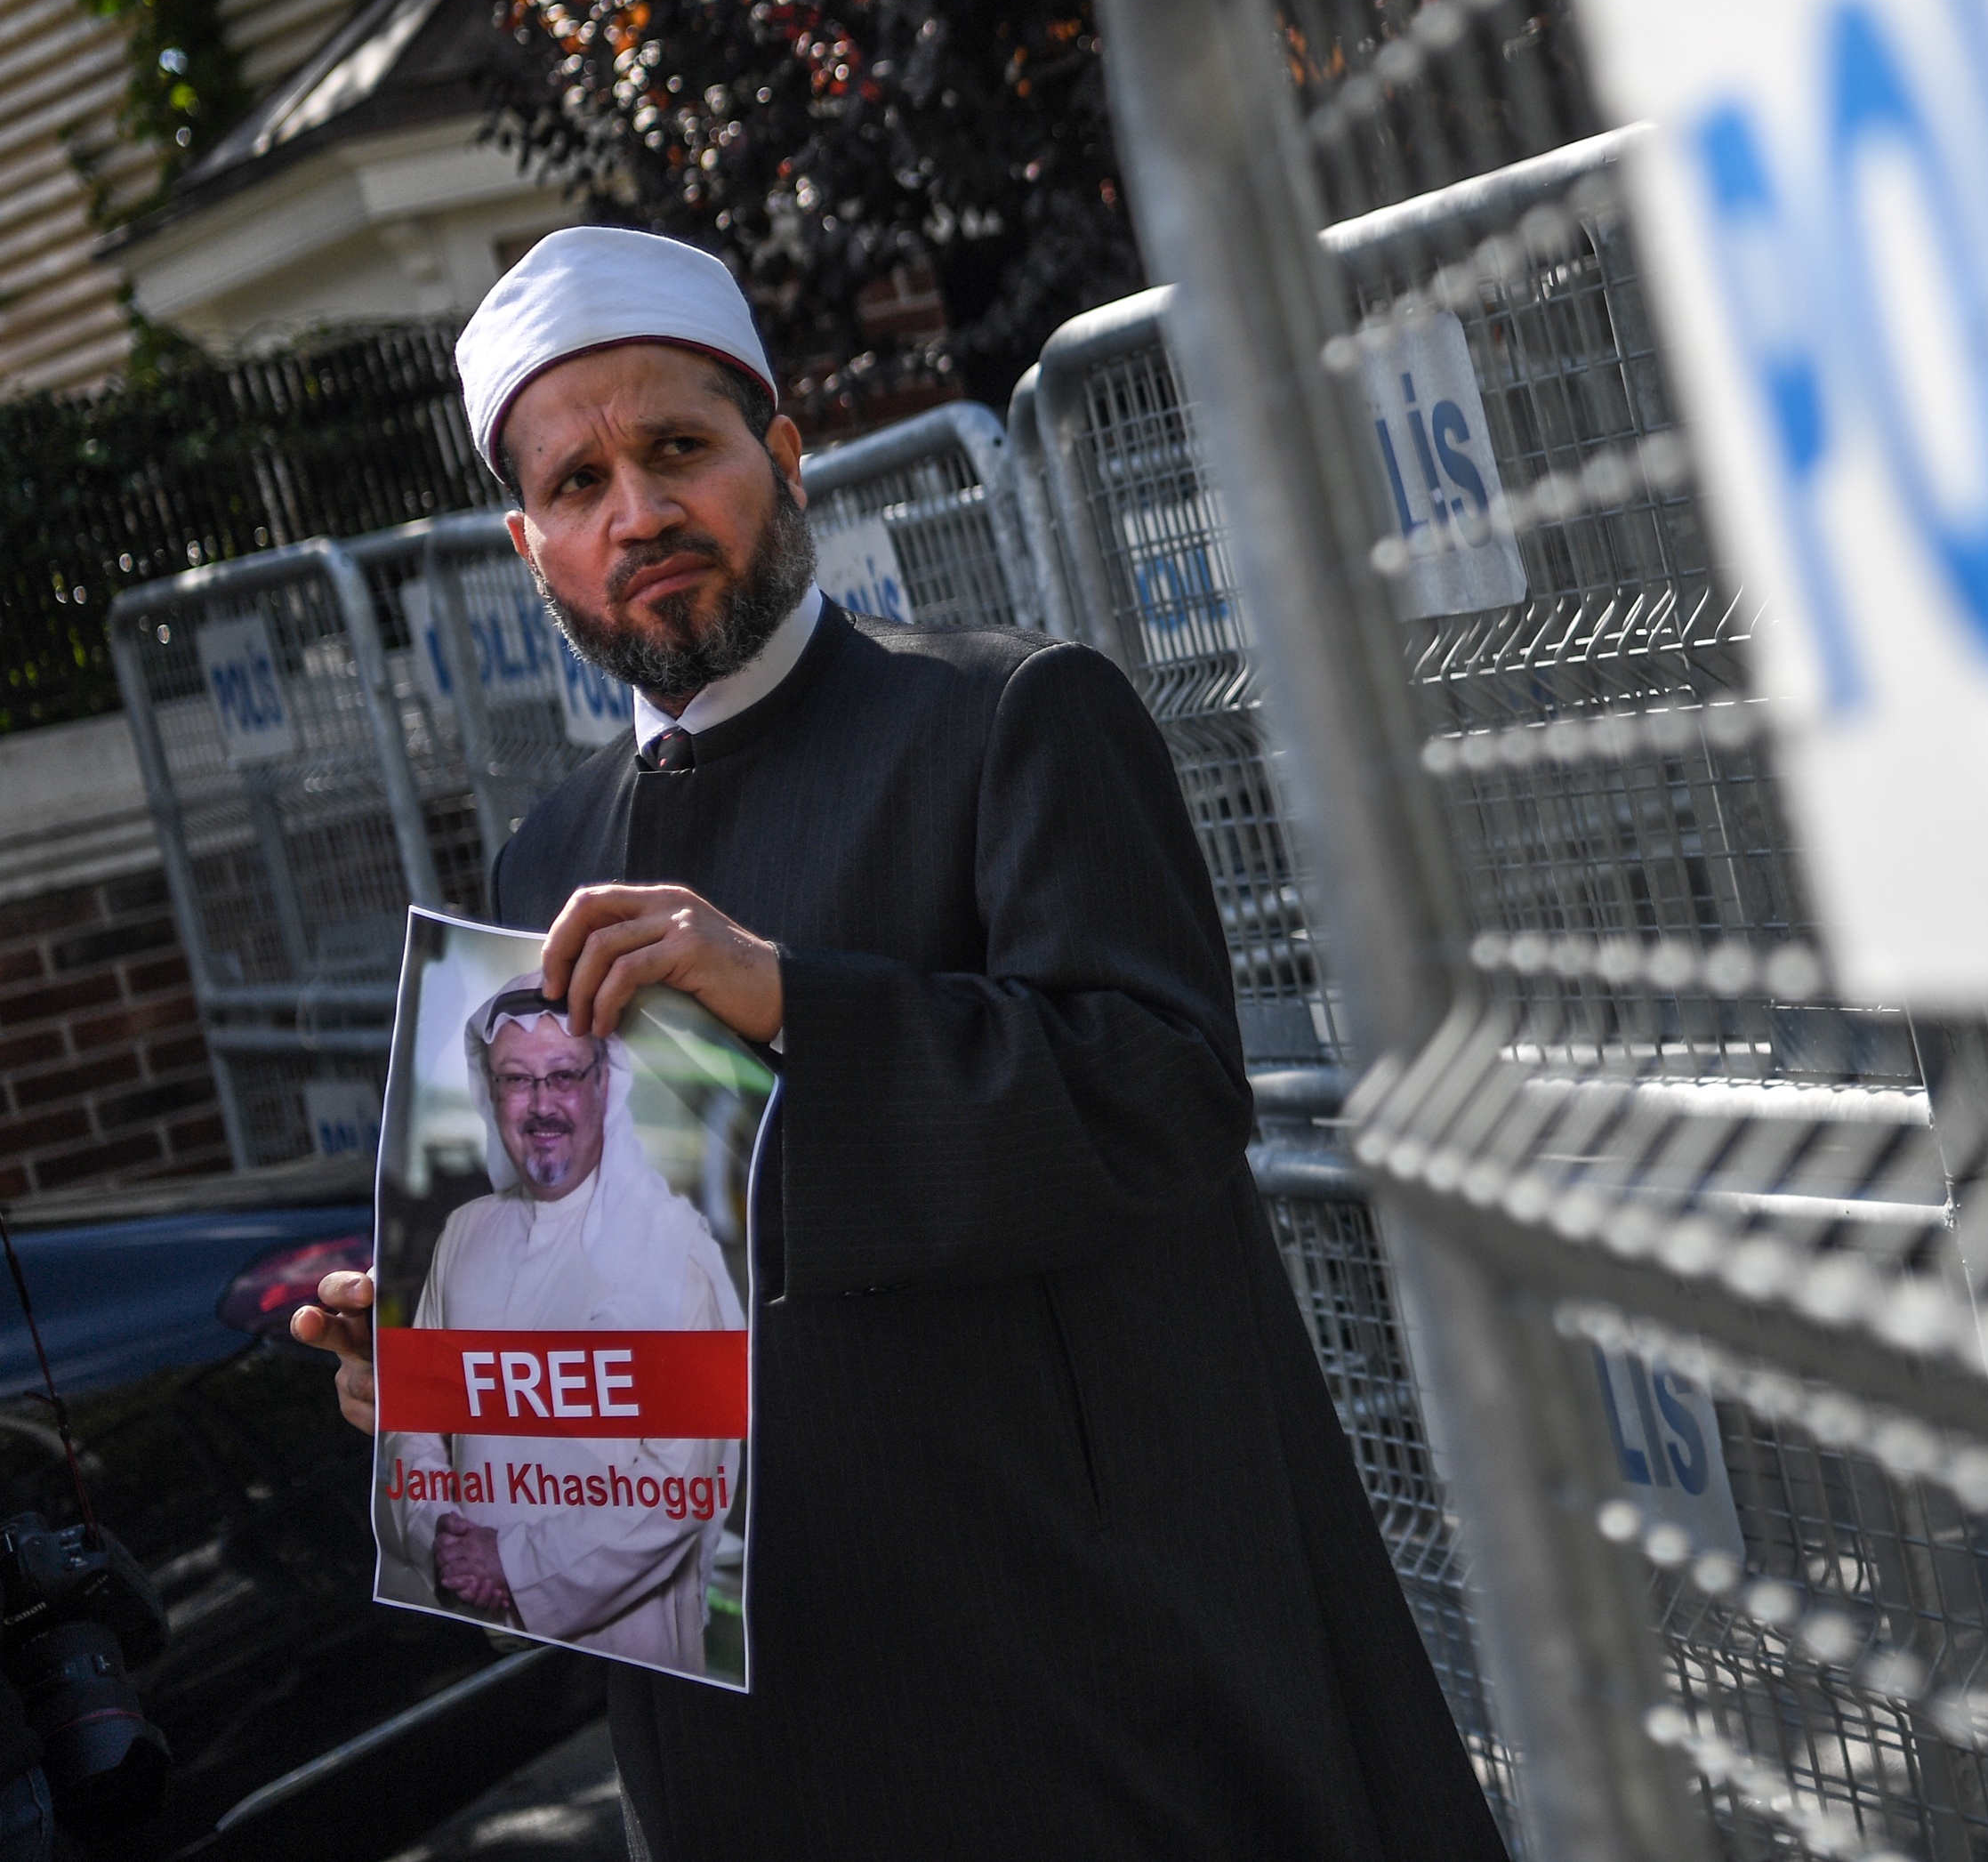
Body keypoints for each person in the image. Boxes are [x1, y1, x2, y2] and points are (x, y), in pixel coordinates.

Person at [295, 227, 1506, 1860]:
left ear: (781, 458)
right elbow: (611, 1278)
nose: (638, 513)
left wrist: (794, 999)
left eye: (677, 449)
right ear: (532, 547)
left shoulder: (1011, 719)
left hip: (1072, 1681)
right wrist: (451, 1373)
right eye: (578, 484)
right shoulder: (542, 859)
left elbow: (1162, 1101)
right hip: (749, 1722)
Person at [386, 990, 741, 1676]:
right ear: (491, 1094)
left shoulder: (672, 1249)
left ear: (604, 1084)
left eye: (564, 1075)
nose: (540, 1103)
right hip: (475, 1645)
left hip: (632, 1650)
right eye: (517, 1078)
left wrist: (514, 1564)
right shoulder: (464, 1234)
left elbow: (679, 1482)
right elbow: (414, 1420)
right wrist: (441, 1538)